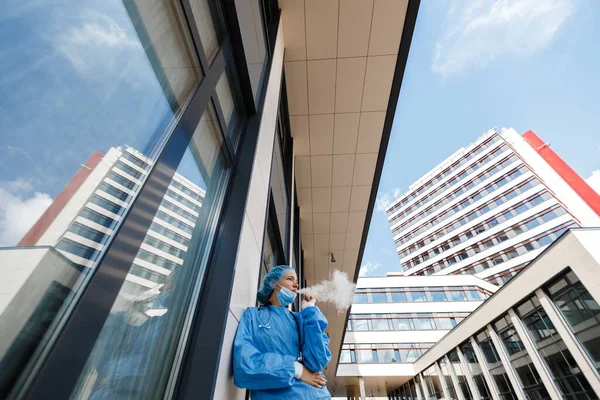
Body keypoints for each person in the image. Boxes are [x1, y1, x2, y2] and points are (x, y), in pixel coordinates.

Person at [233, 265, 332, 399]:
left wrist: (309, 310)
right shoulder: (253, 316)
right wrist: (296, 369)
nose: (296, 285)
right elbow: (245, 366)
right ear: (274, 283)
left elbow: (318, 362)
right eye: (290, 279)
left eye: (296, 281)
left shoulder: (301, 320)